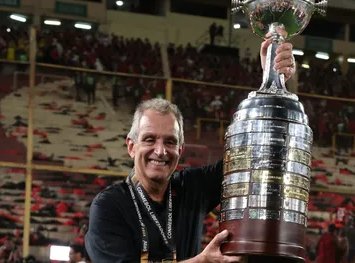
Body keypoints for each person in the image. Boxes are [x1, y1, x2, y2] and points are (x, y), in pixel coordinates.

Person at [85, 39, 297, 262]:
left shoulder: (191, 189)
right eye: (149, 139)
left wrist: (271, 83)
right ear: (131, 146)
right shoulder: (109, 205)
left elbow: (253, 157)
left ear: (181, 148)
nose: (160, 151)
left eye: (169, 142)